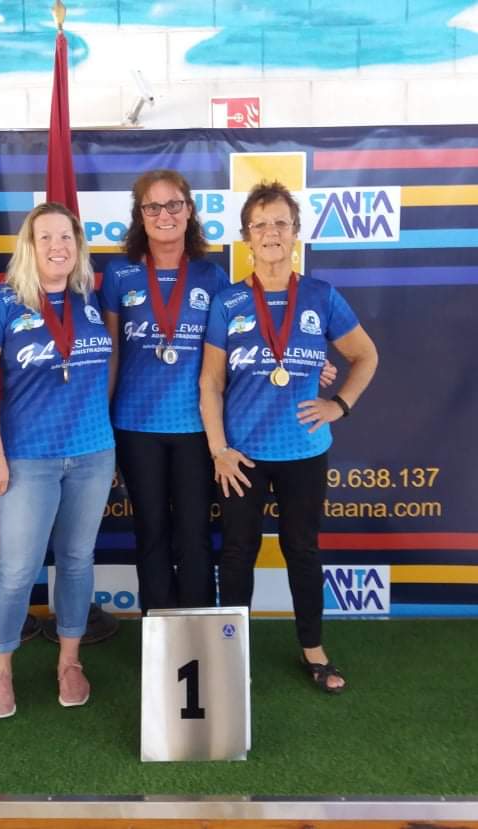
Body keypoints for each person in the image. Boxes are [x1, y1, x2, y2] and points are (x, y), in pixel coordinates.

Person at [200, 180, 378, 693]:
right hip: (242, 455)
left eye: (280, 223)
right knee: (237, 552)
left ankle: (313, 649)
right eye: (260, 225)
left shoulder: (320, 296)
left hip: (303, 450)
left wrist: (339, 404)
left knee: (302, 549)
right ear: (246, 238)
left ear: (295, 233)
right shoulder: (229, 302)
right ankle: (231, 652)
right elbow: (210, 381)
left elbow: (366, 356)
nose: (271, 233)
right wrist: (218, 448)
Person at [0, 202, 115, 719]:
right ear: (29, 247)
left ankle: (69, 662)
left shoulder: (90, 299)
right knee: (17, 569)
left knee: (76, 561)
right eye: (46, 237)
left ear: (79, 246)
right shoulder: (0, 303)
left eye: (67, 237)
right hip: (27, 458)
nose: (58, 247)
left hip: (93, 454)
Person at [101, 170, 229, 612]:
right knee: (151, 530)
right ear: (140, 216)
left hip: (196, 426)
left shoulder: (213, 277)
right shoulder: (119, 275)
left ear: (189, 210)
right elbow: (112, 352)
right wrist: (104, 423)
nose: (164, 214)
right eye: (152, 207)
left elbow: (234, 352)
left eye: (173, 204)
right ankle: (160, 629)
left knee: (194, 531)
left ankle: (199, 631)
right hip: (135, 425)